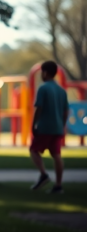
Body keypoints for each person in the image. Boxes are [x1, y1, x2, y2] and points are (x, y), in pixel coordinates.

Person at [29, 61, 69, 194]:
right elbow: (66, 111)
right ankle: (58, 185)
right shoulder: (62, 91)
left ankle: (43, 174)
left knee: (34, 150)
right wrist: (62, 125)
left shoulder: (43, 88)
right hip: (57, 127)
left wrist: (34, 124)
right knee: (56, 155)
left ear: (45, 73)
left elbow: (39, 108)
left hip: (45, 127)